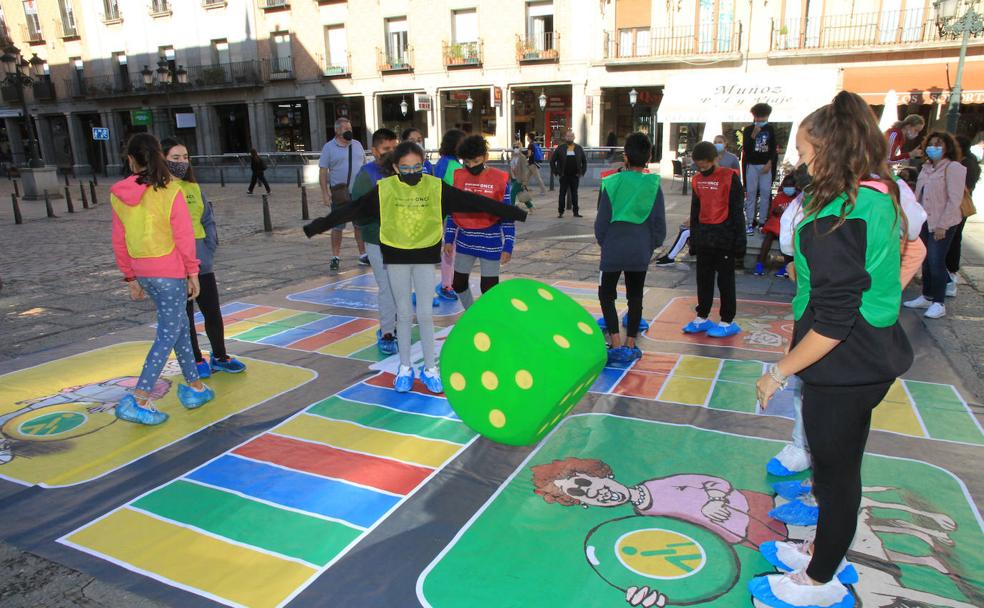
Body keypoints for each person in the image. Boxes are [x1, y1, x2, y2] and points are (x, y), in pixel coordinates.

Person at [751, 92, 913, 608]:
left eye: (803, 150)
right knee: (837, 468)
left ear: (829, 149)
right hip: (870, 354)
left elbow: (834, 322)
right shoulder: (879, 193)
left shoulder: (836, 216)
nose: (799, 161)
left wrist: (776, 372)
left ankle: (820, 578)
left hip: (842, 366)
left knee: (834, 475)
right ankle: (827, 549)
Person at [303, 141, 527, 393]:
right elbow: (352, 209)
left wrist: (514, 213)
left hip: (424, 253)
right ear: (396, 169)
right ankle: (405, 367)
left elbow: (473, 201)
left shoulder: (434, 187)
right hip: (396, 255)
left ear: (424, 165)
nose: (412, 172)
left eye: (417, 167)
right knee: (403, 312)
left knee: (424, 314)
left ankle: (430, 368)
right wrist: (317, 226)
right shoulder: (384, 189)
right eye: (405, 168)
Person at [110, 133, 215, 426]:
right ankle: (139, 398)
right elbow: (184, 237)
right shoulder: (170, 192)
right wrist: (192, 272)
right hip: (169, 272)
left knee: (179, 324)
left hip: (144, 271)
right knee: (168, 332)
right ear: (158, 156)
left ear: (131, 160)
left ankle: (195, 388)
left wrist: (130, 276)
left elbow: (119, 239)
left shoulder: (118, 194)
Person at [161, 138, 246, 378]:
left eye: (185, 157)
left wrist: (209, 247)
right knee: (184, 316)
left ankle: (220, 356)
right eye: (175, 158)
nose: (182, 162)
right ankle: (195, 359)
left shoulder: (194, 188)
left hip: (201, 261)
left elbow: (207, 219)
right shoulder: (159, 192)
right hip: (175, 264)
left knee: (212, 311)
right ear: (162, 159)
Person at [595, 133, 666, 363]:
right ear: (649, 157)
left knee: (607, 293)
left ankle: (615, 342)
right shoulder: (654, 185)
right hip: (640, 249)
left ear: (625, 156)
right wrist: (651, 245)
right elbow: (659, 224)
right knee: (635, 296)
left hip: (613, 248)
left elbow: (601, 221)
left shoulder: (611, 183)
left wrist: (604, 242)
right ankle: (631, 343)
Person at [682, 141, 746, 338]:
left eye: (705, 165)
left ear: (715, 159)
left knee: (725, 281)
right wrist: (694, 238)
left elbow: (737, 211)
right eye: (699, 166)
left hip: (724, 238)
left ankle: (728, 320)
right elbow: (695, 210)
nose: (702, 169)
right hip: (704, 238)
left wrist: (739, 242)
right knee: (703, 279)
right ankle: (702, 316)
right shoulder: (697, 180)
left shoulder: (730, 177)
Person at [445, 135, 515, 309]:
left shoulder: (499, 181)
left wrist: (508, 245)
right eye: (467, 163)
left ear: (485, 157)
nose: (471, 167)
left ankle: (489, 317)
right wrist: (448, 239)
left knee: (489, 288)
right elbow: (454, 212)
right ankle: (472, 313)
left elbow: (507, 215)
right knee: (459, 283)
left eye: (476, 161)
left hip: (490, 244)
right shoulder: (460, 178)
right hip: (465, 242)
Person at [903, 131, 966, 319]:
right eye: (930, 144)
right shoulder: (926, 167)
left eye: (938, 144)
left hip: (942, 222)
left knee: (936, 261)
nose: (933, 148)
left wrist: (943, 225)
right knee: (926, 260)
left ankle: (939, 302)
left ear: (947, 146)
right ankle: (927, 296)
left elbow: (955, 200)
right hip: (925, 220)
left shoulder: (953, 167)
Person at [351, 128, 400, 355]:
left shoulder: (404, 171)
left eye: (394, 148)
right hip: (378, 241)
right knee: (387, 288)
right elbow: (359, 214)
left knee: (399, 287)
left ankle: (395, 322)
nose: (391, 153)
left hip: (403, 242)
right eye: (386, 149)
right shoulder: (367, 175)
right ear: (374, 150)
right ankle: (387, 331)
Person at [319, 117, 368, 272]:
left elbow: (365, 167)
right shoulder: (329, 148)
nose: (349, 130)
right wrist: (325, 193)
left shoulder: (357, 145)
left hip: (358, 192)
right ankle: (335, 256)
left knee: (359, 225)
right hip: (340, 193)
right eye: (345, 128)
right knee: (338, 227)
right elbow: (323, 171)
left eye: (350, 127)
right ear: (337, 130)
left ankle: (363, 254)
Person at [432, 129, 467, 301]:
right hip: (451, 217)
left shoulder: (443, 162)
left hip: (444, 214)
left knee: (448, 251)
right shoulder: (453, 166)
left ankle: (448, 282)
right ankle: (447, 285)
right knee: (449, 251)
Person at [945, 135, 980, 298]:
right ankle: (949, 273)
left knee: (954, 239)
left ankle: (951, 274)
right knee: (953, 239)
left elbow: (963, 187)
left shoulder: (966, 164)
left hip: (958, 207)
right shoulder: (964, 162)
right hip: (955, 206)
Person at [741, 103, 778, 233]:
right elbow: (746, 149)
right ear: (754, 117)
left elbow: (774, 149)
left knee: (765, 193)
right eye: (758, 117)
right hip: (752, 165)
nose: (761, 120)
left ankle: (762, 222)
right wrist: (753, 135)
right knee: (751, 194)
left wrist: (770, 163)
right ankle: (750, 222)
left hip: (766, 166)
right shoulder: (748, 130)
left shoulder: (771, 129)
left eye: (764, 117)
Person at [754, 174, 797, 277]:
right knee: (768, 237)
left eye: (790, 185)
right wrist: (775, 211)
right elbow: (771, 213)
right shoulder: (779, 197)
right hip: (776, 224)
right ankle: (760, 263)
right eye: (786, 185)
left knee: (789, 240)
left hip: (790, 226)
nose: (788, 188)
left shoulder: (798, 199)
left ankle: (787, 266)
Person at [549, 129, 587, 218]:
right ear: (565, 137)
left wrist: (582, 172)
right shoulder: (560, 148)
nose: (569, 138)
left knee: (575, 194)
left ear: (574, 137)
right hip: (564, 175)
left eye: (571, 136)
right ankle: (560, 212)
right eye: (568, 136)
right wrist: (556, 172)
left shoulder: (578, 148)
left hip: (575, 176)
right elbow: (552, 161)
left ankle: (576, 212)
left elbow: (584, 162)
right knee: (562, 194)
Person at [509, 139, 535, 212]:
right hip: (513, 178)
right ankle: (531, 207)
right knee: (521, 194)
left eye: (517, 147)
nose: (515, 149)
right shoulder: (513, 157)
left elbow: (524, 170)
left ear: (520, 148)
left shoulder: (522, 157)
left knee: (513, 192)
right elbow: (511, 167)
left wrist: (524, 181)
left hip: (519, 179)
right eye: (514, 147)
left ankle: (511, 209)